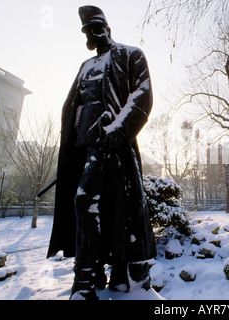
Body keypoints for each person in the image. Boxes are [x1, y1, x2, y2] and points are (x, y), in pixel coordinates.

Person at [46, 5, 156, 300]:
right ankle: (94, 274)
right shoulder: (85, 66)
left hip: (115, 146)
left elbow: (142, 94)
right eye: (85, 32)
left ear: (102, 29)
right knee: (90, 204)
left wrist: (118, 130)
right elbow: (75, 105)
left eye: (91, 31)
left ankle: (93, 281)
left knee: (104, 205)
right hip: (86, 148)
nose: (88, 37)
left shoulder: (130, 54)